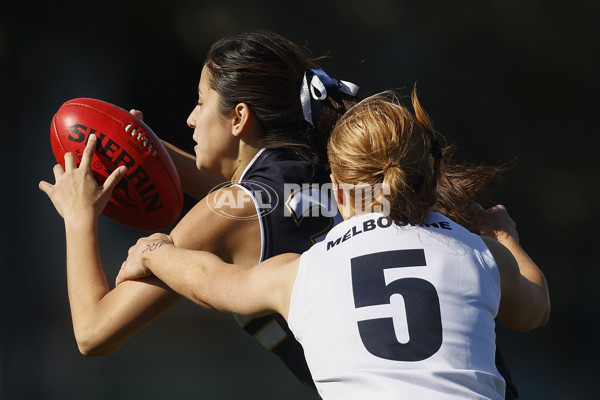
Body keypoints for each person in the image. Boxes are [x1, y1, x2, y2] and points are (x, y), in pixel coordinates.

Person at [39, 30, 517, 398]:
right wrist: (136, 146)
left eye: (200, 103)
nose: (189, 119)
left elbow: (94, 332)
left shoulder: (230, 210)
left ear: (240, 117)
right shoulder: (335, 166)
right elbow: (252, 194)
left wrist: (80, 218)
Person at [116, 90, 550, 399]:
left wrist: (156, 252)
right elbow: (535, 309)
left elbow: (207, 281)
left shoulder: (302, 273)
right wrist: (503, 236)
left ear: (339, 191)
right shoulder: (478, 255)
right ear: (428, 178)